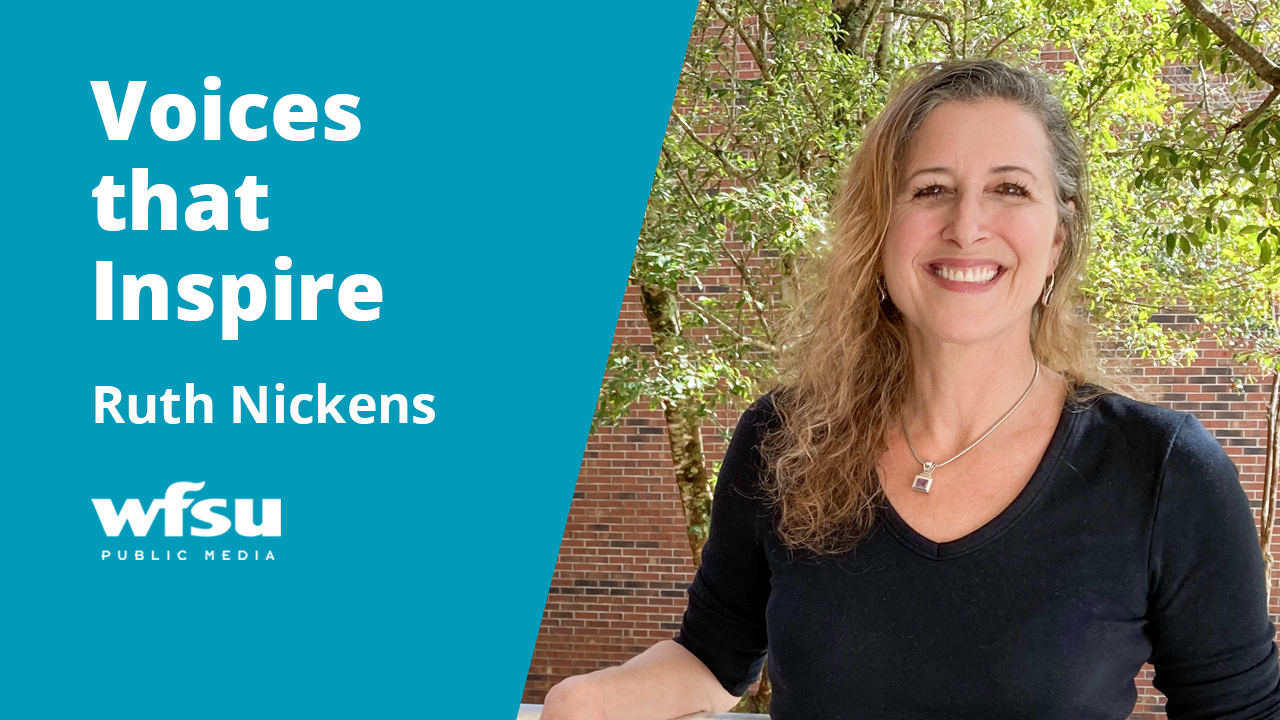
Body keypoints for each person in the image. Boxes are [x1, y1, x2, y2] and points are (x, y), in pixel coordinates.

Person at [542, 58, 1280, 719]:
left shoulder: (1163, 470)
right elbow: (713, 658)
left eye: (1009, 189)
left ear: (1057, 239)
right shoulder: (784, 440)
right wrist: (584, 701)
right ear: (882, 230)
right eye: (931, 189)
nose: (967, 225)